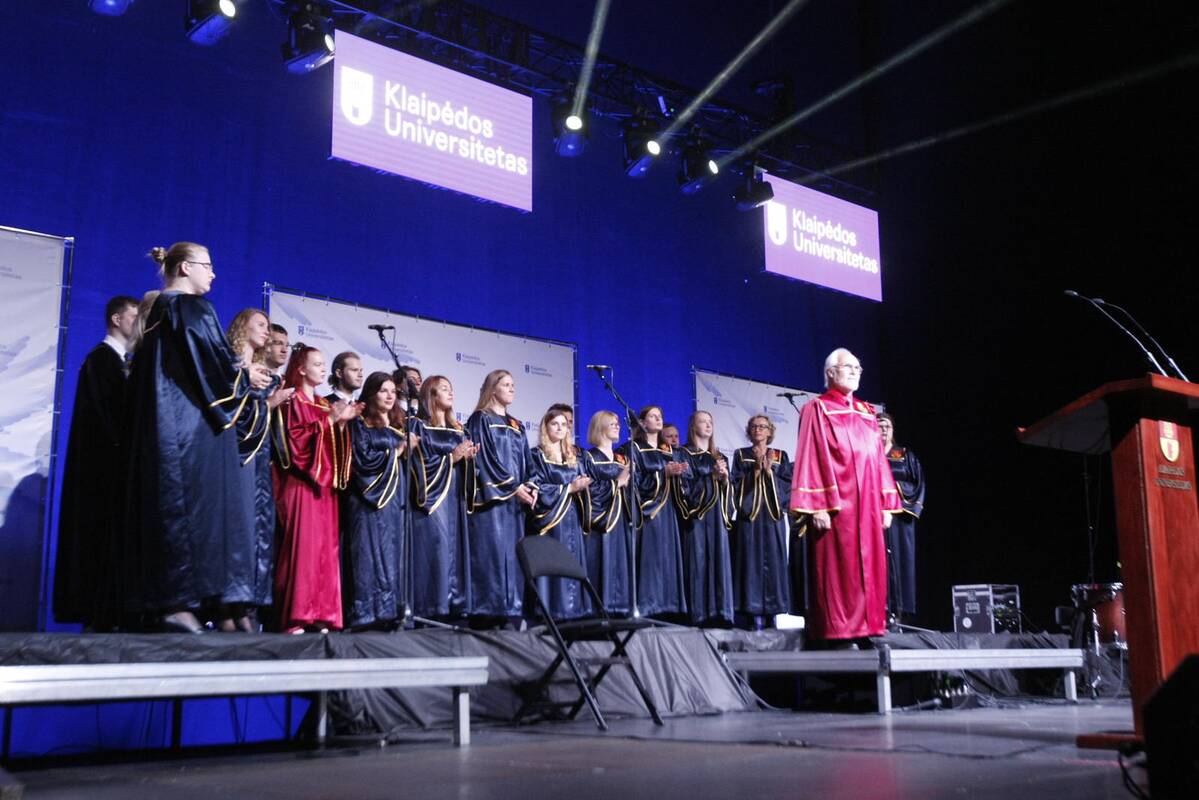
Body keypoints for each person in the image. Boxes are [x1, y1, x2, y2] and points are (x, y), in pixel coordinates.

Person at [125, 243, 272, 633]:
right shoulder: (192, 308)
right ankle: (180, 604)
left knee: (175, 511)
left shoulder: (158, 310)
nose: (213, 274)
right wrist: (245, 376)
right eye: (208, 266)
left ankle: (200, 606)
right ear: (186, 267)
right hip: (191, 430)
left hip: (166, 426)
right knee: (194, 514)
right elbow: (214, 366)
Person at [790, 348, 901, 647]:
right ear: (830, 372)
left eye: (858, 368)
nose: (855, 371)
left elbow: (877, 458)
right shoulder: (817, 408)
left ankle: (869, 628)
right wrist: (817, 506)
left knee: (871, 566)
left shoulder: (866, 411)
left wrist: (886, 503)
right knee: (840, 570)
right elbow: (810, 455)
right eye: (848, 366)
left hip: (868, 504)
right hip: (838, 506)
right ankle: (839, 633)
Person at [53, 295, 138, 630]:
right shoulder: (101, 362)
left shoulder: (121, 362)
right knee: (98, 545)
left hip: (111, 474)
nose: (139, 324)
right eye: (134, 317)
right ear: (116, 319)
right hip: (101, 476)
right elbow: (107, 421)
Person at [274, 345, 361, 633]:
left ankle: (323, 613)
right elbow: (296, 444)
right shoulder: (293, 401)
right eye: (317, 364)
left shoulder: (323, 404)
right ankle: (297, 615)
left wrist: (341, 424)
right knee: (303, 550)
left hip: (325, 488)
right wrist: (332, 420)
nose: (323, 368)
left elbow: (334, 448)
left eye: (324, 364)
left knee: (325, 550)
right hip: (301, 485)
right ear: (301, 369)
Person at [225, 308, 294, 630]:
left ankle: (249, 606)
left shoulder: (266, 375)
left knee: (259, 532)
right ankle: (228, 606)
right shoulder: (231, 367)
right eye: (261, 325)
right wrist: (269, 404)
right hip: (236, 458)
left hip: (261, 462)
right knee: (238, 529)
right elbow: (230, 414)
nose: (267, 332)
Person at [342, 372, 413, 630]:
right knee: (367, 554)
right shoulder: (360, 424)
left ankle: (391, 613)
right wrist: (397, 452)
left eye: (393, 391)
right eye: (383, 390)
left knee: (392, 554)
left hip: (394, 502)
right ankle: (365, 614)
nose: (390, 395)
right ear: (371, 394)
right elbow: (362, 460)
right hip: (367, 502)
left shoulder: (399, 426)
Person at [465, 370, 537, 624]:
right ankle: (488, 613)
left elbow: (528, 462)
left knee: (514, 556)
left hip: (515, 505)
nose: (511, 388)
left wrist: (530, 486)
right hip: (492, 501)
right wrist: (512, 487)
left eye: (513, 384)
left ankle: (512, 612)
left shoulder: (517, 425)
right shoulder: (480, 419)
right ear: (492, 389)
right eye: (506, 384)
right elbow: (485, 459)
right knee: (493, 555)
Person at [409, 375, 477, 619]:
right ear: (431, 394)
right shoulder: (417, 426)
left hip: (455, 497)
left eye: (451, 389)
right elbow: (419, 463)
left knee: (455, 549)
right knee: (436, 547)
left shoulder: (458, 429)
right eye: (444, 389)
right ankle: (432, 607)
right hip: (433, 498)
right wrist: (453, 458)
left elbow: (466, 465)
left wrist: (469, 458)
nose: (451, 393)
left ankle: (454, 606)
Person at [619, 405, 688, 619]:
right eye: (653, 416)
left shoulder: (669, 450)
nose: (658, 419)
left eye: (660, 416)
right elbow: (634, 482)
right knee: (651, 559)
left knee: (668, 557)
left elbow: (681, 485)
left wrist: (679, 475)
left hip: (668, 511)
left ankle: (669, 606)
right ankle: (649, 606)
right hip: (649, 512)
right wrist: (662, 474)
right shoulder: (633, 448)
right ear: (642, 422)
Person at [528, 408, 593, 619]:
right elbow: (537, 487)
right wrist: (570, 488)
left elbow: (582, 485)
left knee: (572, 559)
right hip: (552, 520)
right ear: (545, 427)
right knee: (553, 559)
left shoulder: (573, 457)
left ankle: (575, 611)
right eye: (554, 424)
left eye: (564, 425)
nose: (560, 428)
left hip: (572, 516)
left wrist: (582, 486)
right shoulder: (537, 455)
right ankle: (551, 610)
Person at [730, 415, 793, 628]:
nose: (758, 429)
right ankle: (750, 612)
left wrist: (768, 472)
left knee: (774, 562)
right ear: (749, 431)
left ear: (769, 431)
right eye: (754, 426)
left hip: (772, 517)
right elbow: (735, 485)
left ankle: (772, 613)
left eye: (763, 426)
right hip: (750, 518)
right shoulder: (741, 455)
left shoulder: (780, 456)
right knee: (750, 561)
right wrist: (756, 470)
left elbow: (787, 486)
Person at [676, 411, 735, 626]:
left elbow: (729, 494)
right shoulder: (683, 454)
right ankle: (698, 613)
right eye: (703, 421)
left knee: (719, 560)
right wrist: (711, 478)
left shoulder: (719, 457)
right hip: (697, 518)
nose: (708, 425)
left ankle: (720, 612)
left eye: (710, 422)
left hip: (717, 517)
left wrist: (725, 480)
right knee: (698, 561)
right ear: (693, 426)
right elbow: (685, 489)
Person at [582, 411, 636, 615]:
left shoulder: (623, 459)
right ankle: (599, 609)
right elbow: (590, 490)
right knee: (601, 562)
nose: (617, 426)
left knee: (621, 562)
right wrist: (617, 483)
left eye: (618, 423)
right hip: (601, 521)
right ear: (600, 427)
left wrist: (629, 484)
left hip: (621, 519)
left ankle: (620, 608)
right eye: (612, 423)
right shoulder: (589, 457)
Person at [877, 412, 926, 625]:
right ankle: (879, 611)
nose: (883, 430)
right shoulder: (868, 454)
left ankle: (899, 613)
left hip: (900, 517)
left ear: (892, 430)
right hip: (875, 516)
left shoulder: (903, 454)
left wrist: (891, 492)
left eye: (886, 426)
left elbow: (917, 483)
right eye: (879, 426)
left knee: (900, 562)